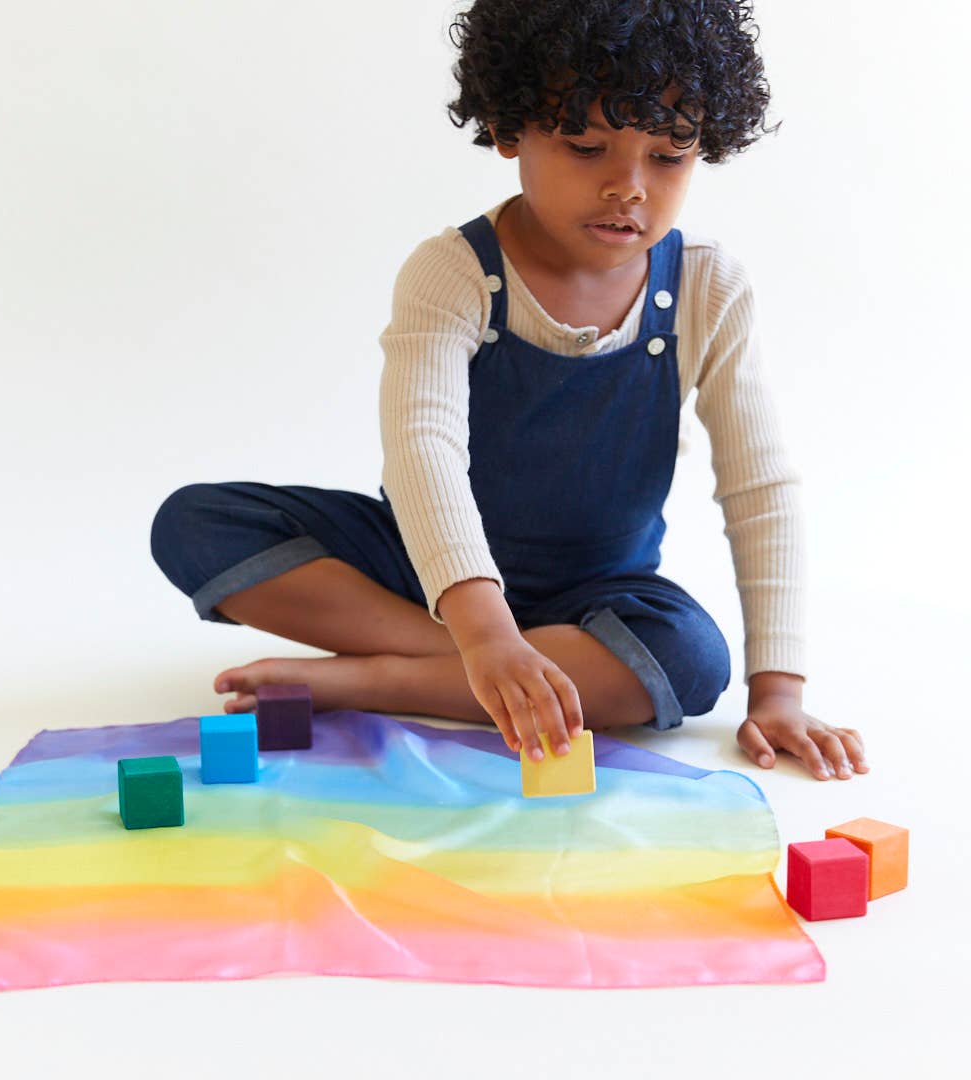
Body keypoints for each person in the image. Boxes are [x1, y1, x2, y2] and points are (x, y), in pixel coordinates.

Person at [150, 0, 869, 783]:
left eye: (669, 156)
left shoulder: (705, 286)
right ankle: (481, 661)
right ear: (507, 129)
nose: (628, 187)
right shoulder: (453, 272)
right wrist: (483, 631)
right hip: (427, 571)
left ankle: (382, 678)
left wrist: (779, 690)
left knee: (692, 659)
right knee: (196, 523)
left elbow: (759, 487)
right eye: (587, 146)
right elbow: (423, 452)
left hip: (596, 596)